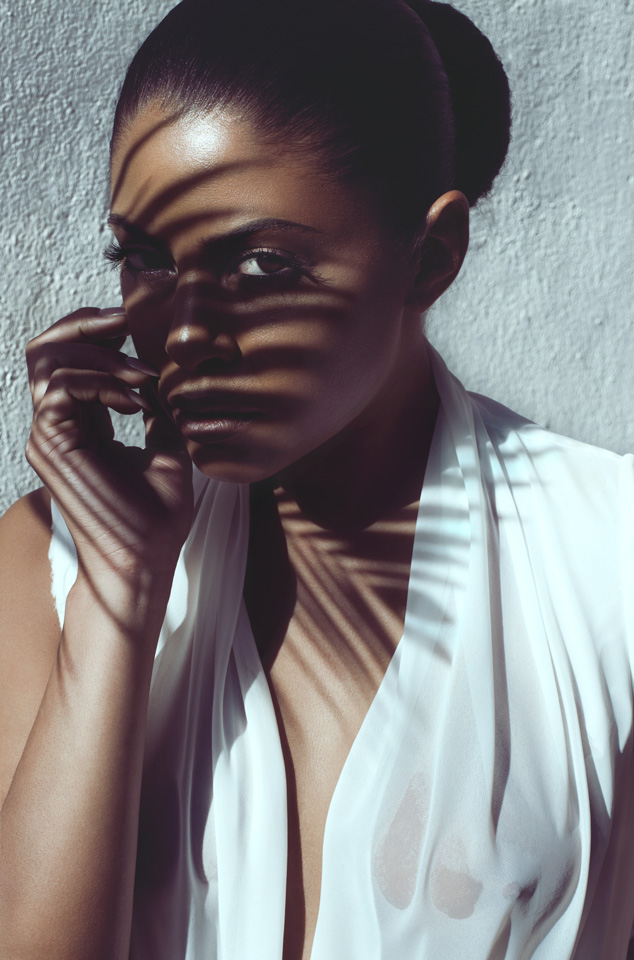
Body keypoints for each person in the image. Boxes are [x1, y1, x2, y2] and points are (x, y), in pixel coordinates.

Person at [0, 0, 633, 958]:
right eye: (145, 258)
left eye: (261, 264)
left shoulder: (606, 564)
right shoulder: (48, 563)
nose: (186, 334)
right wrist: (118, 596)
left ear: (431, 259)